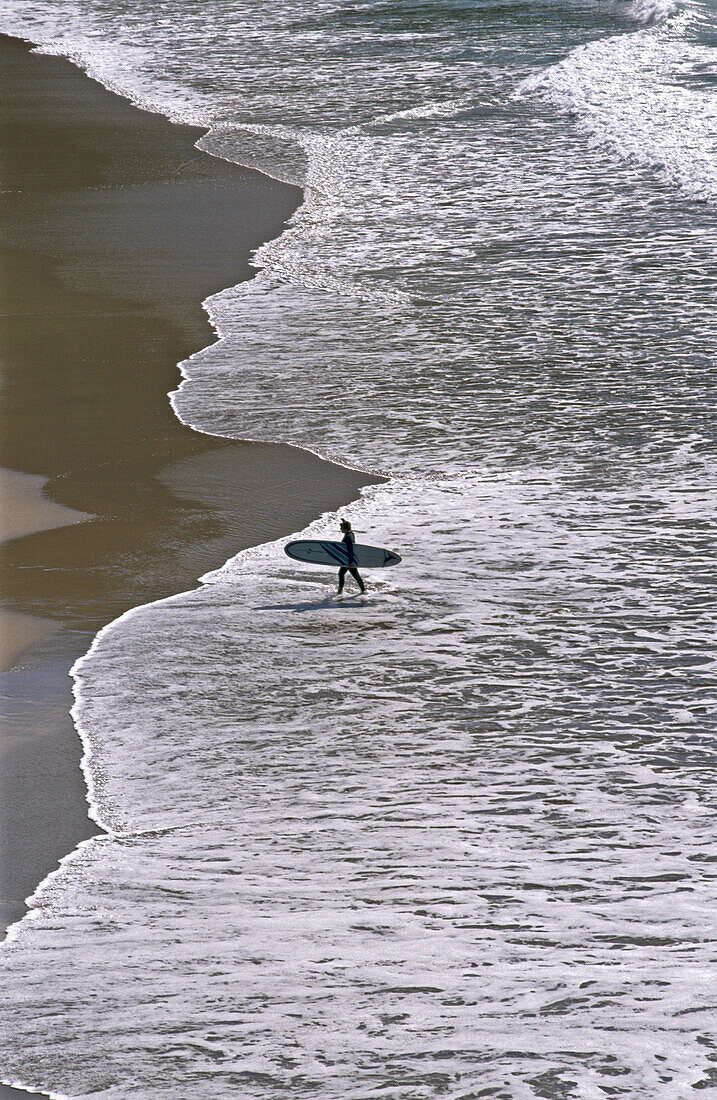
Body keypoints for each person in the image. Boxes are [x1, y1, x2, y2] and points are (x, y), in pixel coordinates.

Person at [337, 518, 366, 594]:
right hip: (348, 559)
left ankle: (340, 591)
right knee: (345, 574)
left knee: (353, 575)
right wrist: (344, 522)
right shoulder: (350, 533)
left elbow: (350, 550)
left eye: (341, 528)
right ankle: (363, 590)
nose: (340, 529)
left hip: (349, 560)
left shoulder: (348, 538)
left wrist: (350, 562)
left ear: (345, 528)